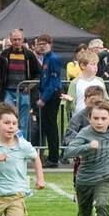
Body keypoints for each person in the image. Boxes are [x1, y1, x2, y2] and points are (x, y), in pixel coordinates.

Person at [34, 33, 63, 166]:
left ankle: (53, 158)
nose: (42, 46)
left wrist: (44, 98)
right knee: (47, 126)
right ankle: (51, 156)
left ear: (50, 45)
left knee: (51, 127)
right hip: (47, 95)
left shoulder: (53, 58)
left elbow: (54, 81)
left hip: (52, 96)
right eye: (39, 44)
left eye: (44, 44)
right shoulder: (46, 58)